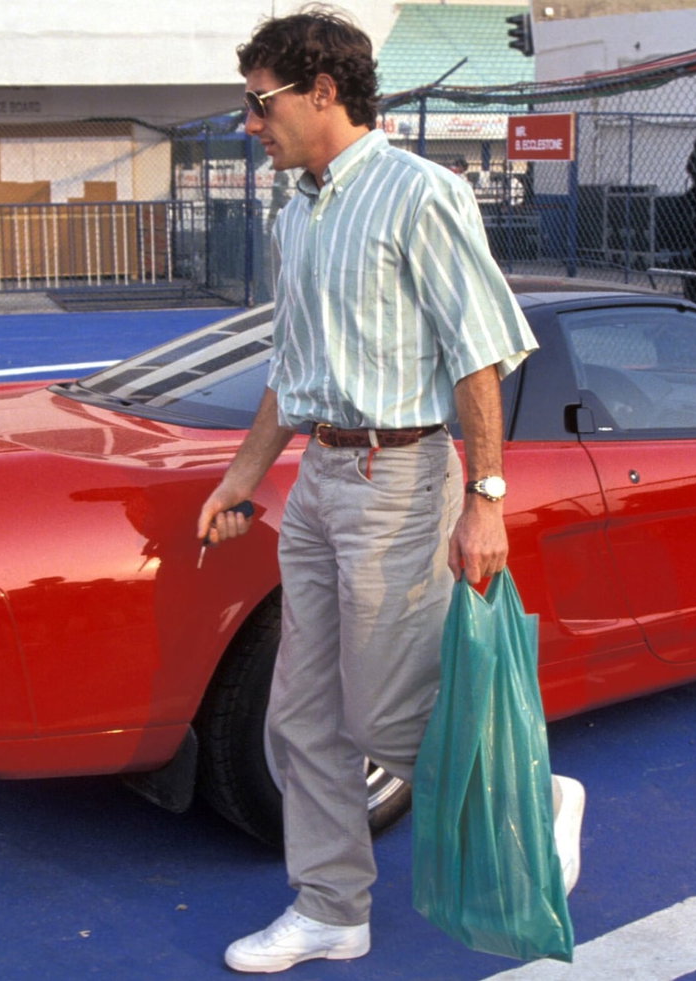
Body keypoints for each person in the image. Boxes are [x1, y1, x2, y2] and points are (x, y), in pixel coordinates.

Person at [196, 8, 585, 974]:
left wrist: (485, 499)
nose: (250, 122)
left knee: (382, 714)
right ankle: (332, 908)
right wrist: (241, 479)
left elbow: (478, 353)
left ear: (323, 92)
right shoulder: (295, 211)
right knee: (300, 716)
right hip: (319, 480)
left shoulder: (421, 193)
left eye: (261, 102)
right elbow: (291, 371)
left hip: (402, 478)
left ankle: (537, 798)